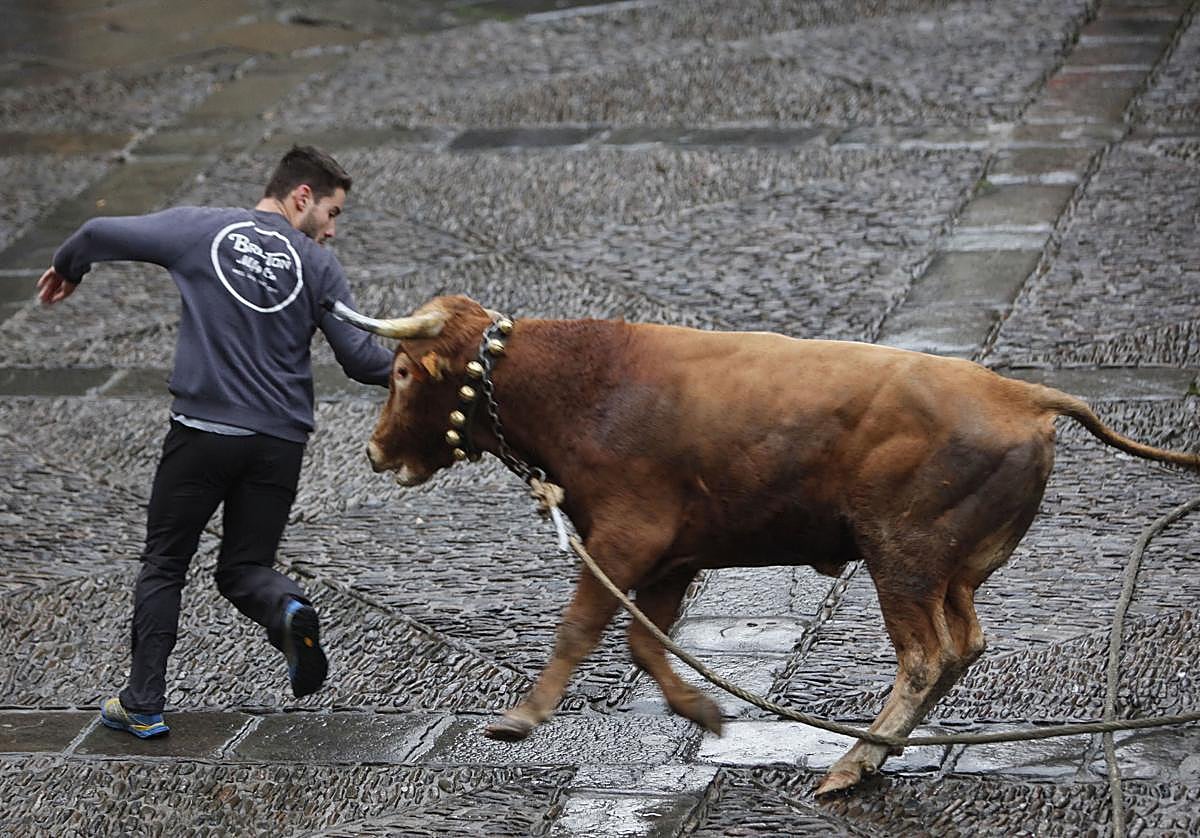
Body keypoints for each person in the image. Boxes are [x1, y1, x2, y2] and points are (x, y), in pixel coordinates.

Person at [37, 146, 393, 738]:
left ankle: (144, 701)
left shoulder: (200, 229)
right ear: (301, 196)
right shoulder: (318, 266)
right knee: (246, 567)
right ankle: (286, 608)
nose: (331, 229)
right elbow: (360, 360)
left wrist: (69, 269)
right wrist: (431, 367)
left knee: (165, 562)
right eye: (331, 212)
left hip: (203, 434)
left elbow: (96, 230)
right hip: (279, 442)